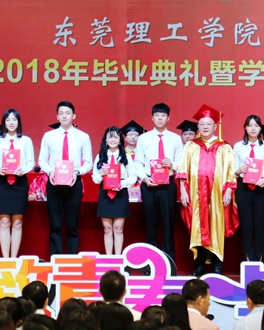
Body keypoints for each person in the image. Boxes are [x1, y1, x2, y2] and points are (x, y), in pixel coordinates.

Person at [178, 104, 238, 276]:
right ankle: (199, 265)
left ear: (215, 126)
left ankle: (218, 265)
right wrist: (183, 190)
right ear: (198, 126)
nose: (205, 127)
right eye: (202, 124)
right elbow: (183, 169)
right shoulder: (191, 146)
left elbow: (230, 171)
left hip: (217, 195)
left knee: (216, 226)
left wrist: (229, 191)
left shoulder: (224, 147)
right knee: (197, 227)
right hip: (195, 195)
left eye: (209, 124)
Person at [38, 101, 93, 256]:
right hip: (54, 183)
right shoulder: (49, 136)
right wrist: (50, 171)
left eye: (68, 113)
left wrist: (77, 171)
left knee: (72, 225)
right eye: (61, 113)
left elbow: (88, 162)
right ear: (57, 116)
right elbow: (42, 160)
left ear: (74, 116)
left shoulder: (83, 137)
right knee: (55, 224)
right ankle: (55, 257)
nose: (64, 116)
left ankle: (71, 258)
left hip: (74, 183)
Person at [135, 104, 185, 263]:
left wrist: (172, 164)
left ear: (168, 118)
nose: (160, 118)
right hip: (149, 184)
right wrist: (144, 178)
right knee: (150, 225)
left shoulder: (175, 138)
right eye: (157, 115)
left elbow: (181, 162)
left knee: (168, 224)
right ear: (152, 117)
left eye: (163, 115)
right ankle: (151, 262)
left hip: (168, 185)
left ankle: (169, 261)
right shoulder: (144, 138)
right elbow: (138, 162)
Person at [0, 109, 35, 258]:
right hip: (3, 182)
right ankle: (6, 259)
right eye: (8, 120)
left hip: (19, 182)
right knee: (4, 221)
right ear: (4, 122)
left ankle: (14, 258)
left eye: (14, 119)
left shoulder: (26, 141)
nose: (11, 123)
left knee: (17, 222)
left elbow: (31, 162)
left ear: (18, 122)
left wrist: (24, 170)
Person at [234, 115, 264, 262]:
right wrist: (239, 170)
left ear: (260, 128)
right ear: (245, 128)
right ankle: (248, 261)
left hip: (260, 188)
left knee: (260, 227)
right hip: (244, 189)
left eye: (256, 126)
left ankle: (260, 261)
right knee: (246, 227)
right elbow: (233, 169)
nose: (253, 128)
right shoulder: (238, 146)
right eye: (250, 125)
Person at [92, 126, 138, 255]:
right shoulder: (100, 156)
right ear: (105, 140)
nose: (113, 140)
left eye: (116, 137)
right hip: (105, 193)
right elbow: (95, 179)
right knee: (107, 229)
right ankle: (109, 257)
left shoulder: (126, 156)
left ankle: (118, 258)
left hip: (120, 194)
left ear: (120, 140)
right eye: (110, 137)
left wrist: (121, 184)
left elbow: (133, 177)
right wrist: (101, 174)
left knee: (118, 228)